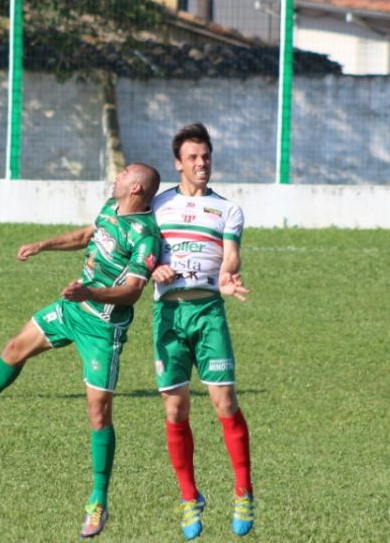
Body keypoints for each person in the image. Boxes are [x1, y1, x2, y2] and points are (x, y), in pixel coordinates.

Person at [0, 162, 163, 540]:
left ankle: (98, 500)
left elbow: (134, 291)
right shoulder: (110, 207)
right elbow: (90, 234)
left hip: (103, 327)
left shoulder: (145, 236)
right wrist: (44, 245)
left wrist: (89, 292)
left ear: (136, 188)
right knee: (14, 348)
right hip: (72, 307)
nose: (117, 174)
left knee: (99, 413)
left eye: (124, 173)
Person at [149, 122, 255, 540]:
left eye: (206, 156)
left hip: (208, 312)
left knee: (224, 402)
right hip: (169, 316)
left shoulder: (228, 209)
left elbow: (230, 255)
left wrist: (228, 276)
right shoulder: (157, 207)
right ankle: (189, 498)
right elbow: (142, 254)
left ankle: (244, 491)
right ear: (178, 163)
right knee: (175, 410)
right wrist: (151, 266)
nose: (201, 163)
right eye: (192, 158)